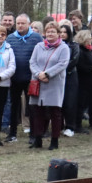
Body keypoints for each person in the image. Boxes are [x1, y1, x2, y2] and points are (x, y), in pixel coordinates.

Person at [28, 22, 71, 150]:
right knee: (37, 111)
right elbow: (32, 62)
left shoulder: (63, 48)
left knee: (55, 113)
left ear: (58, 34)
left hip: (54, 83)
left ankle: (54, 140)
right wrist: (38, 74)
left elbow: (62, 64)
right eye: (48, 31)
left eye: (53, 31)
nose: (50, 34)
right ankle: (38, 139)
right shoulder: (39, 46)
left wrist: (47, 74)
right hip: (38, 82)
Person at [7, 15, 43, 143]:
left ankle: (34, 134)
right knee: (14, 106)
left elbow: (41, 55)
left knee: (32, 106)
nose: (20, 25)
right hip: (15, 78)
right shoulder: (10, 38)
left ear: (28, 24)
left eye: (23, 23)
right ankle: (12, 134)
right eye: (18, 23)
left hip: (31, 78)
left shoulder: (37, 38)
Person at [59, 23, 82, 136]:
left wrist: (62, 68)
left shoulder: (74, 45)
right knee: (59, 102)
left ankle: (70, 126)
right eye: (61, 32)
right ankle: (59, 125)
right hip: (57, 76)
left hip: (70, 75)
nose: (63, 34)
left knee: (70, 101)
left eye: (65, 32)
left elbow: (74, 60)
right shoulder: (56, 45)